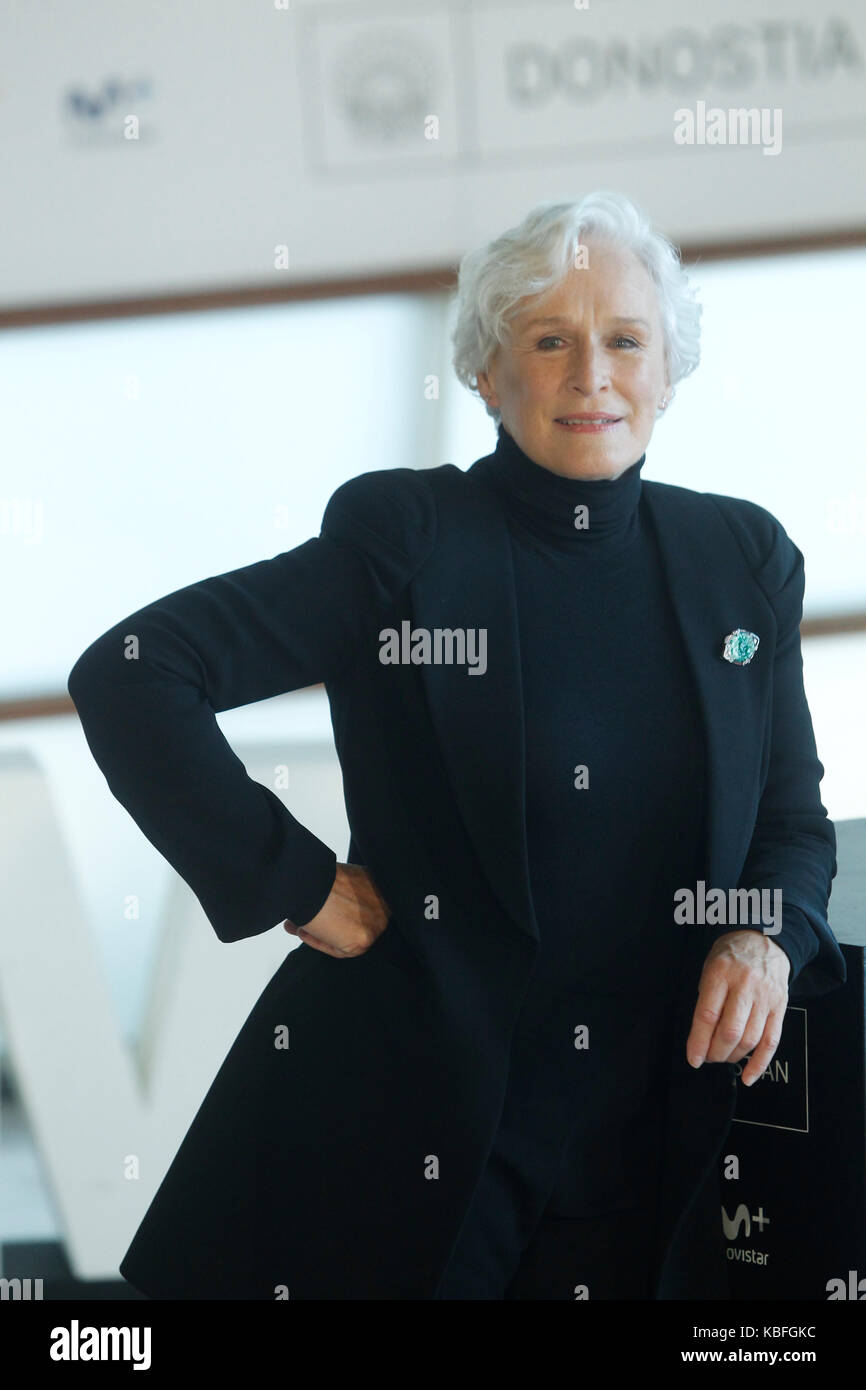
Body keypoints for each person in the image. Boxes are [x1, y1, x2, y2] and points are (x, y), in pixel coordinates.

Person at [67, 190, 846, 1300]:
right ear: (485, 373)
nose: (590, 374)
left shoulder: (741, 557)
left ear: (668, 371)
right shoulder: (407, 539)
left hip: (655, 1135)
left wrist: (764, 937)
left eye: (624, 340)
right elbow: (135, 672)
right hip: (418, 1135)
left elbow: (788, 822)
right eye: (547, 339)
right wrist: (288, 878)